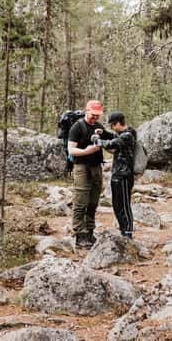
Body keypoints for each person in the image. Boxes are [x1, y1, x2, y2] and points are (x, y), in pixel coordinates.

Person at [67, 99, 112, 249]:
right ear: (87, 111)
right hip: (81, 166)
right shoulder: (77, 127)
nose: (95, 118)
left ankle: (90, 232)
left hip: (96, 167)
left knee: (93, 201)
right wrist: (86, 151)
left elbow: (110, 143)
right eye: (93, 115)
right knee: (81, 200)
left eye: (97, 115)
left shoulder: (99, 127)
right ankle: (79, 235)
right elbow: (71, 150)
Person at [93, 111, 136, 238]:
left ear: (117, 124)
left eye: (112, 125)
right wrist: (104, 134)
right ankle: (123, 230)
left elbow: (111, 143)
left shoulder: (128, 135)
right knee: (117, 205)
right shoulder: (123, 134)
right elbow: (113, 137)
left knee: (124, 205)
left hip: (124, 175)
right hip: (118, 174)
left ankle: (127, 231)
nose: (111, 127)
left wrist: (98, 141)